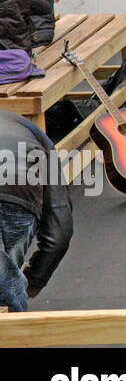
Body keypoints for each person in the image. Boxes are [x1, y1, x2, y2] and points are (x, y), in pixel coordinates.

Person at [0, 112, 73, 313]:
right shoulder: (30, 129)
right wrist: (32, 282)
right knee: (7, 288)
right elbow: (60, 233)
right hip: (20, 191)